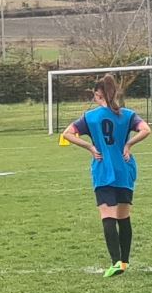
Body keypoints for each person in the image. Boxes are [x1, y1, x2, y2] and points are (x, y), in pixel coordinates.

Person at [62, 73, 150, 277]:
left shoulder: (90, 117)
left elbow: (67, 133)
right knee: (124, 216)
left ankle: (115, 262)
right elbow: (145, 130)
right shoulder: (127, 115)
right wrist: (128, 144)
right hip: (124, 170)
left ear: (97, 94)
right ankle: (124, 262)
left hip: (103, 170)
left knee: (107, 215)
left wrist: (90, 147)